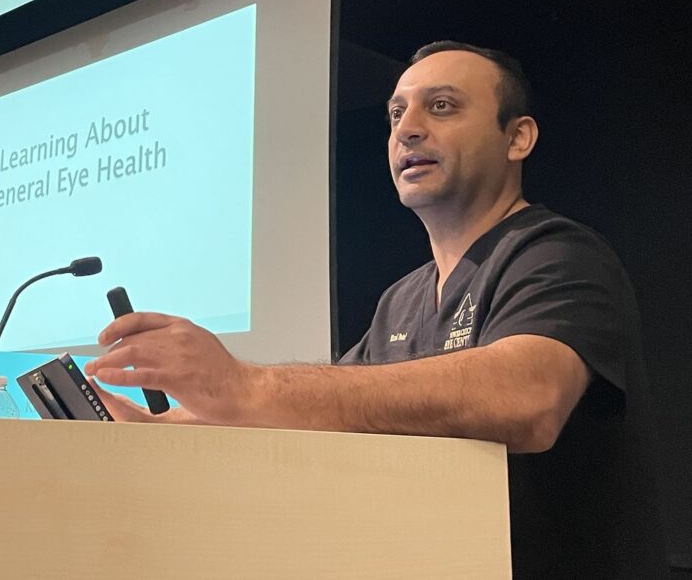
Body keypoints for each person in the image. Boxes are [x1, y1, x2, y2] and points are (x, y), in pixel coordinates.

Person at [84, 41, 667, 578]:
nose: (408, 130)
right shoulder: (404, 297)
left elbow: (526, 399)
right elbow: (335, 399)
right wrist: (162, 429)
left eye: (441, 107)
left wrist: (244, 383)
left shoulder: (556, 254)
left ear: (517, 137)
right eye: (396, 115)